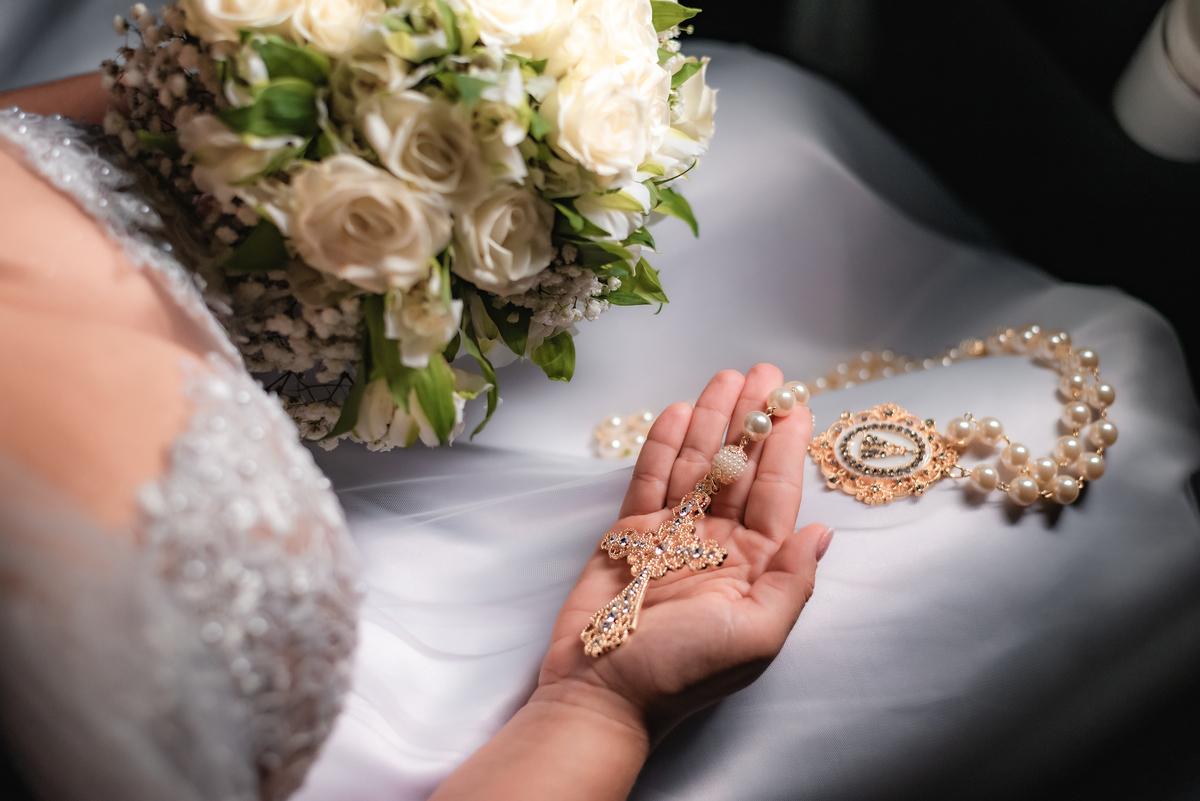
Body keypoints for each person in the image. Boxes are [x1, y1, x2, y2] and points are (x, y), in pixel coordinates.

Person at [0, 75, 829, 801]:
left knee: (775, 126)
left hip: (454, 527)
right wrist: (599, 707)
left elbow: (121, 126)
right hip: (448, 719)